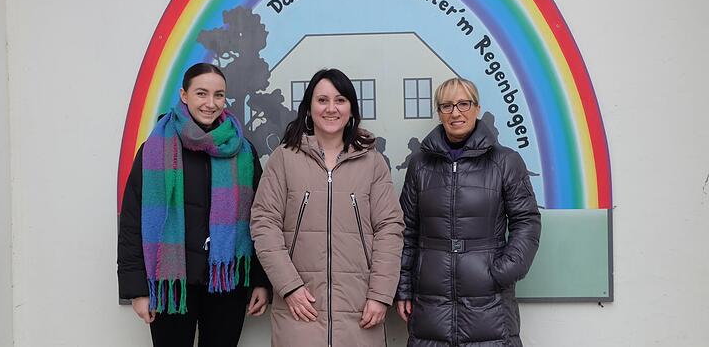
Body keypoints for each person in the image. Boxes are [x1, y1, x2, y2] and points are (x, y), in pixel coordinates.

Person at [117, 63, 270, 347]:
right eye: (202, 93)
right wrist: (138, 289)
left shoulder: (243, 151)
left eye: (219, 95)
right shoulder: (154, 149)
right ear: (184, 95)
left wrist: (260, 280)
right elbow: (132, 222)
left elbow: (259, 221)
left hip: (227, 283)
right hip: (173, 286)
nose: (210, 103)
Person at [251, 68, 404, 347]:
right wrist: (290, 287)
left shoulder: (372, 162)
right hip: (300, 310)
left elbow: (389, 229)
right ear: (309, 108)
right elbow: (264, 223)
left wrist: (381, 295)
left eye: (340, 100)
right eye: (322, 100)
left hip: (360, 312)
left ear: (351, 109)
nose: (331, 108)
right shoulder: (284, 158)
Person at [395, 77, 541, 346]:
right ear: (439, 113)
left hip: (490, 300)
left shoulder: (505, 161)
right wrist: (404, 287)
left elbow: (526, 222)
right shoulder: (420, 165)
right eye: (447, 105)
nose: (456, 112)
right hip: (430, 299)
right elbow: (407, 230)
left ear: (476, 107)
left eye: (463, 103)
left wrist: (502, 272)